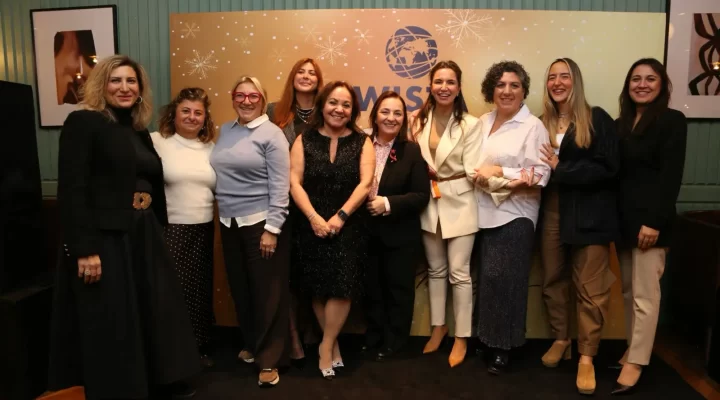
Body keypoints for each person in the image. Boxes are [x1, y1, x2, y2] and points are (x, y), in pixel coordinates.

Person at [48, 54, 200, 400]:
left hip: (143, 234)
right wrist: (84, 249)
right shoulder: (84, 122)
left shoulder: (137, 129)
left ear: (140, 88)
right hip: (106, 238)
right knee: (113, 318)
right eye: (116, 80)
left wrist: (157, 229)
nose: (124, 87)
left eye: (131, 81)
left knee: (150, 311)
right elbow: (72, 190)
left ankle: (153, 383)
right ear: (101, 85)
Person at [536, 58, 620, 395]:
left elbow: (610, 168)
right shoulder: (540, 122)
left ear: (576, 81)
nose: (557, 82)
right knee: (552, 279)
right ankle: (562, 339)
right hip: (551, 210)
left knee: (591, 288)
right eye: (552, 77)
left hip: (590, 214)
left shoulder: (597, 118)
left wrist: (563, 168)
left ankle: (587, 356)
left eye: (564, 76)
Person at [611, 58, 687, 395]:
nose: (642, 84)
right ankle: (633, 348)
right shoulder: (621, 124)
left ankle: (638, 360)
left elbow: (671, 176)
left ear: (661, 84)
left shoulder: (672, 121)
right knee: (629, 292)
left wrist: (654, 222)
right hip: (623, 222)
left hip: (651, 224)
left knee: (645, 295)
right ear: (628, 85)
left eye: (650, 79)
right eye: (636, 79)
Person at [289, 81, 375, 379]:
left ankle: (325, 347)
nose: (339, 109)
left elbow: (365, 183)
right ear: (322, 105)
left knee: (342, 286)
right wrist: (314, 218)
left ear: (353, 110)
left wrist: (341, 216)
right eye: (333, 103)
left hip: (349, 226)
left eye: (346, 105)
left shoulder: (363, 141)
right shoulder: (304, 139)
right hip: (310, 224)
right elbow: (294, 182)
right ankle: (333, 343)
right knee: (318, 287)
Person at [210, 76, 291, 388]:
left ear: (262, 100)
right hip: (229, 222)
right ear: (233, 98)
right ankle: (253, 344)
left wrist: (272, 229)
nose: (246, 101)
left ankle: (270, 358)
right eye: (240, 95)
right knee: (242, 289)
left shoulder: (272, 134)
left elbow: (280, 186)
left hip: (261, 224)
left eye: (253, 96)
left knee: (267, 294)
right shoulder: (226, 130)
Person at [472, 60, 551, 375]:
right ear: (491, 90)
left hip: (516, 214)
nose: (507, 91)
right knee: (487, 280)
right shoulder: (483, 121)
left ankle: (503, 346)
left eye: (514, 85)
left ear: (523, 91)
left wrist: (500, 172)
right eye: (500, 85)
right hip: (480, 211)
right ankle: (487, 337)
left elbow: (542, 173)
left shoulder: (533, 126)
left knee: (506, 281)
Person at [411, 60, 481, 368]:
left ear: (459, 87)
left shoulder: (470, 124)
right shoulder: (418, 120)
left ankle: (462, 336)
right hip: (429, 201)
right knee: (436, 270)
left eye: (450, 82)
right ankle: (438, 327)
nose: (444, 87)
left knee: (459, 272)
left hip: (461, 201)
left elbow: (474, 169)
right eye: (438, 81)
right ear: (430, 86)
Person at [151, 87, 217, 368]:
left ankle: (198, 349)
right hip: (170, 229)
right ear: (173, 114)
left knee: (199, 292)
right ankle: (171, 354)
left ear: (205, 118)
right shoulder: (156, 142)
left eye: (198, 112)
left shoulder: (211, 149)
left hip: (204, 228)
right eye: (185, 111)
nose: (192, 117)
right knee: (172, 293)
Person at [363, 91, 430, 361]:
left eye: (397, 113)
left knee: (398, 290)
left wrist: (388, 203)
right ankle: (373, 336)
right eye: (385, 112)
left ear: (404, 119)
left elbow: (421, 195)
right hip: (365, 232)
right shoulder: (361, 144)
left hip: (400, 233)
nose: (391, 118)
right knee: (371, 289)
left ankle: (395, 341)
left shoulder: (411, 150)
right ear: (375, 115)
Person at [267, 57, 324, 364]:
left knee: (312, 272)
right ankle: (292, 337)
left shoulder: (326, 110)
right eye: (300, 71)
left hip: (317, 203)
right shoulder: (273, 111)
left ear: (318, 80)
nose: (306, 76)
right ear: (292, 77)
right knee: (285, 274)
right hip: (282, 203)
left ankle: (313, 331)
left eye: (311, 73)